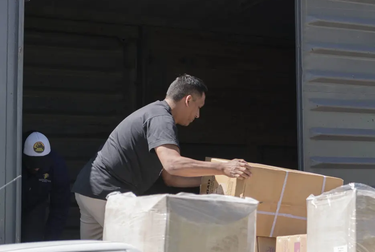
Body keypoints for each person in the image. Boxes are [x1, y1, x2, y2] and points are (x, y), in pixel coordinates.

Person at [72, 74, 252, 240]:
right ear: (188, 100)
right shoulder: (161, 119)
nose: (198, 115)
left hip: (89, 191)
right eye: (199, 107)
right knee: (140, 249)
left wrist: (212, 180)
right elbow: (173, 164)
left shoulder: (155, 114)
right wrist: (222, 167)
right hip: (107, 192)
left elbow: (171, 177)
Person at [21, 131, 70, 242]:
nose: (37, 169)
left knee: (32, 237)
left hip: (36, 204)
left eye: (40, 164)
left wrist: (51, 240)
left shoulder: (57, 166)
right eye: (32, 163)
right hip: (11, 203)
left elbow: (60, 206)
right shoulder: (13, 159)